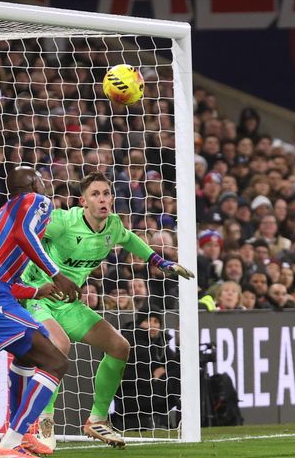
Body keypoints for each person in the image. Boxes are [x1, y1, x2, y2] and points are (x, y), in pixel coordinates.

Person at [21, 172, 194, 451]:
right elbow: (25, 232)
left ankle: (97, 419)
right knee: (59, 346)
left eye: (106, 193)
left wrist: (160, 262)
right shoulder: (64, 222)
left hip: (68, 303)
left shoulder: (112, 225)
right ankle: (44, 422)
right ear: (83, 201)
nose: (103, 199)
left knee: (119, 346)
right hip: (37, 297)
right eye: (95, 194)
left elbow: (128, 240)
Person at [0, 166, 80, 458]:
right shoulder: (34, 200)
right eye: (41, 179)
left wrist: (37, 290)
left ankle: (19, 435)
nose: (45, 185)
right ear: (34, 183)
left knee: (27, 355)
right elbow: (25, 233)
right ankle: (10, 442)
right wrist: (57, 274)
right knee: (56, 362)